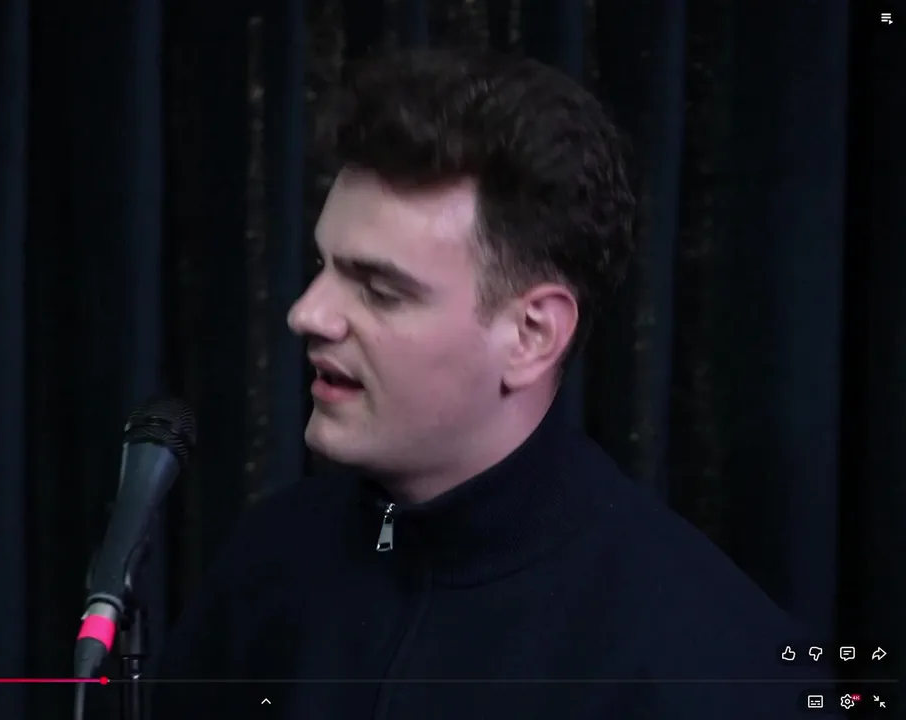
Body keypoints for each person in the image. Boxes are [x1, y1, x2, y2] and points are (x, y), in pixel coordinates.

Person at [150, 49, 826, 718]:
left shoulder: (708, 661)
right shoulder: (269, 564)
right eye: (322, 266)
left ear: (532, 335)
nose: (308, 313)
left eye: (379, 290)